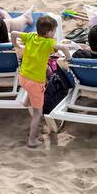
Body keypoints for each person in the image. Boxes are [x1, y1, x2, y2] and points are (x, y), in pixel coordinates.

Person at [12, 14, 72, 148]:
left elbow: (13, 33)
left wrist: (16, 45)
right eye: (54, 31)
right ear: (49, 32)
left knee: (31, 90)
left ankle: (27, 101)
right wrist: (69, 59)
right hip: (35, 82)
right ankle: (32, 140)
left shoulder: (31, 36)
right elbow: (64, 48)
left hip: (23, 77)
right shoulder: (49, 43)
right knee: (38, 113)